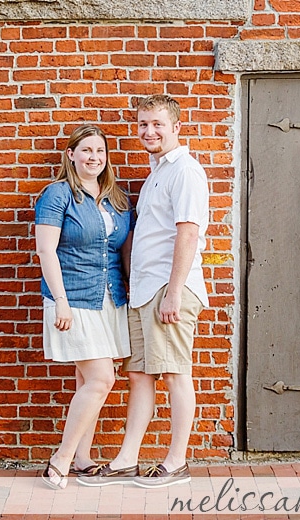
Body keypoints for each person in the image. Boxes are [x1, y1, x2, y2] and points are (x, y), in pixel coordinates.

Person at [78, 94, 209, 489]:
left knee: (174, 373)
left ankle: (176, 462)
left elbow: (188, 232)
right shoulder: (157, 173)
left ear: (176, 128)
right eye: (143, 125)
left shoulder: (185, 171)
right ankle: (126, 459)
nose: (149, 132)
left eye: (157, 124)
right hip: (144, 292)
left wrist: (173, 292)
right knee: (139, 376)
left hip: (168, 290)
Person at [34, 124, 134, 490]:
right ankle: (60, 459)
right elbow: (46, 250)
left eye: (100, 151)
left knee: (86, 381)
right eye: (86, 150)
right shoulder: (57, 195)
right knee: (101, 378)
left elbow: (124, 252)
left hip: (110, 299)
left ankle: (83, 458)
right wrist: (60, 300)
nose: (94, 157)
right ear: (72, 154)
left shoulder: (117, 199)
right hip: (73, 298)